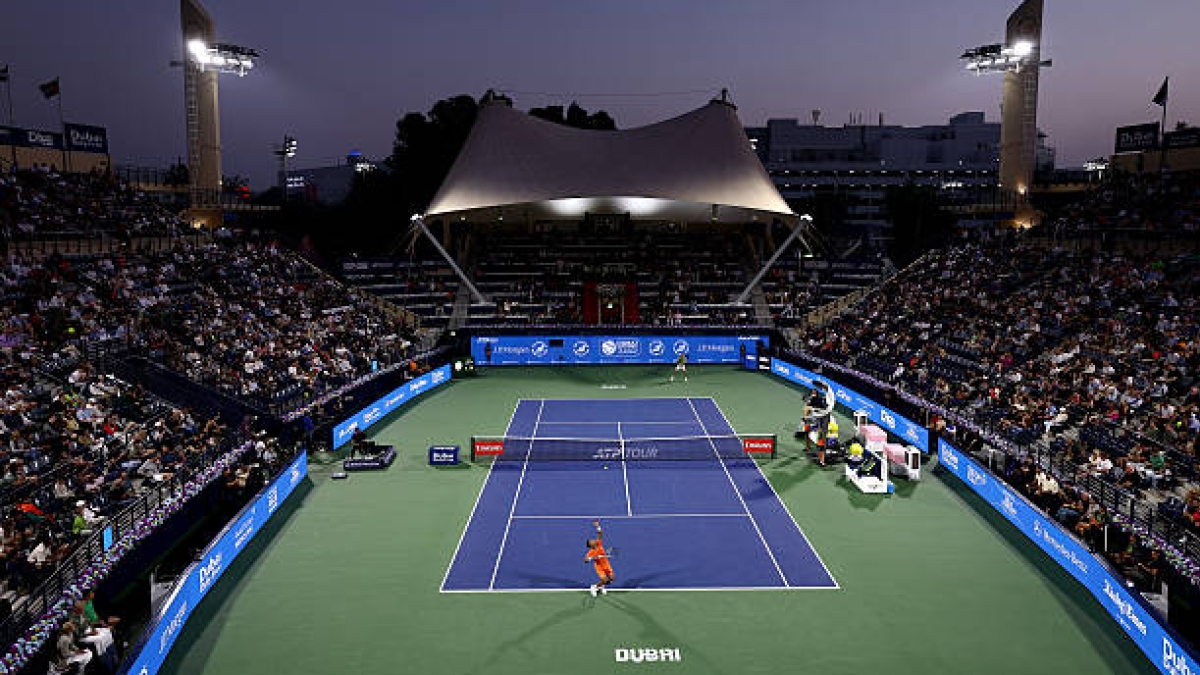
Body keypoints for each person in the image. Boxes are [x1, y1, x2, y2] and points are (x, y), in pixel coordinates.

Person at [584, 520, 614, 597]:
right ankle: (594, 587)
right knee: (605, 580)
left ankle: (601, 586)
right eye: (591, 541)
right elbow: (585, 560)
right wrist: (591, 558)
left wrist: (597, 526)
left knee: (611, 579)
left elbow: (600, 534)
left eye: (592, 540)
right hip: (599, 567)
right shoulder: (590, 552)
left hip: (606, 564)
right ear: (590, 545)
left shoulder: (598, 543)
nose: (593, 540)